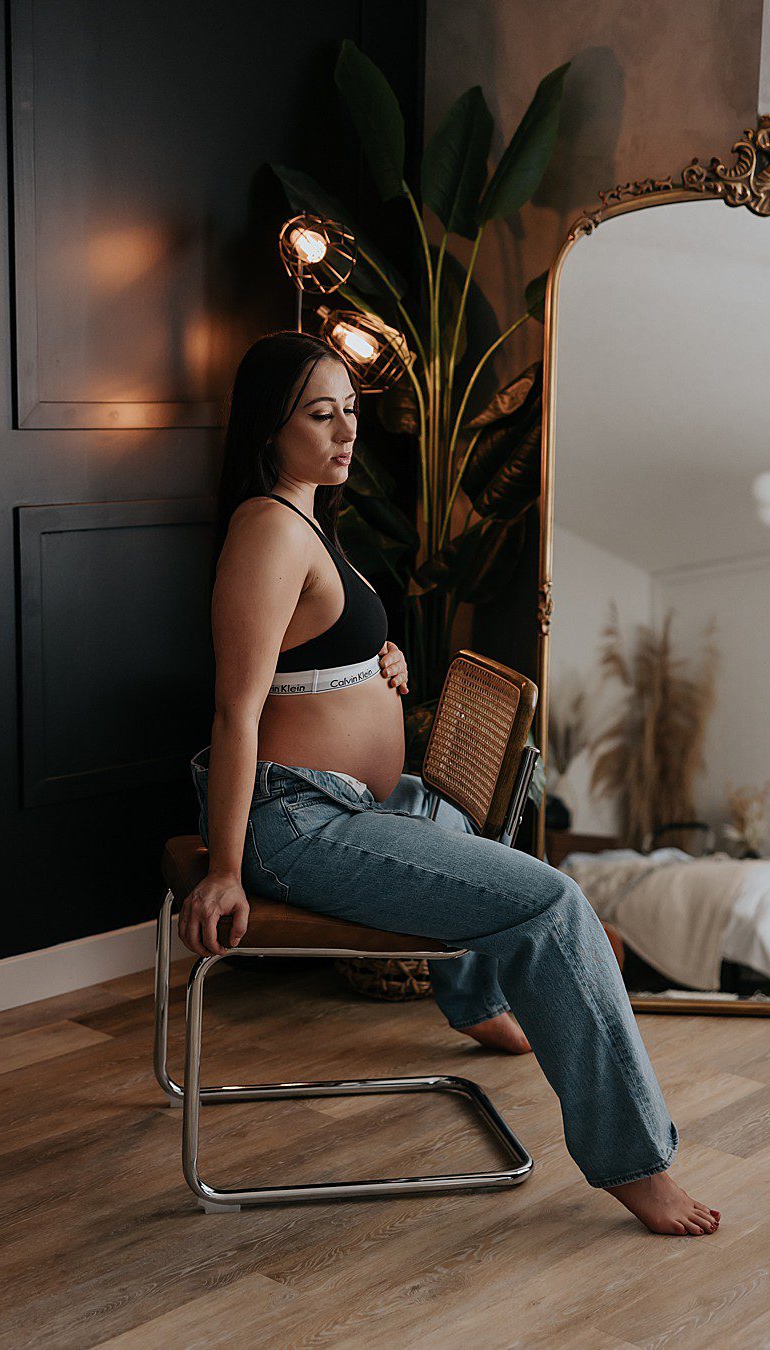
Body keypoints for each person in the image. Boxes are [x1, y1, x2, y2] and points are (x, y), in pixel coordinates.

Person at [177, 330, 719, 1237]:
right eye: (322, 414)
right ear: (270, 428)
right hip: (296, 819)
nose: (348, 430)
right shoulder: (269, 527)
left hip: (355, 802)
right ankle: (639, 1165)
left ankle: (476, 999)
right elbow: (237, 712)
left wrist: (370, 663)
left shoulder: (309, 519)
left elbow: (303, 657)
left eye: (352, 409)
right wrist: (225, 870)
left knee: (469, 812)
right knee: (552, 906)